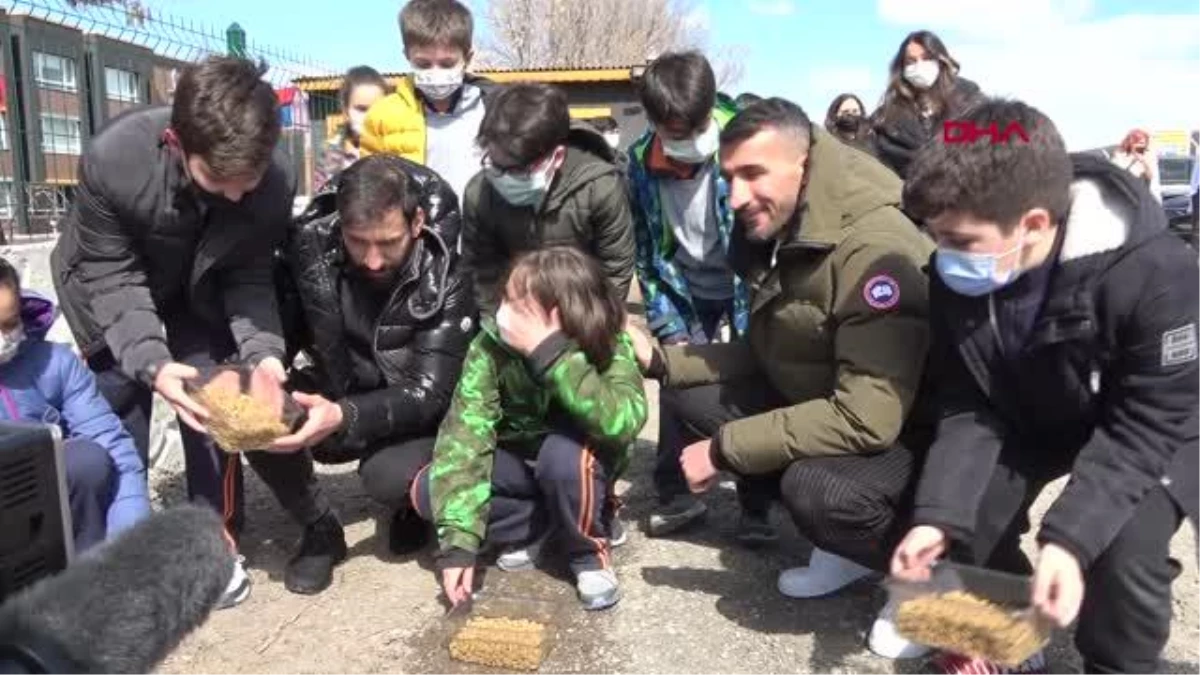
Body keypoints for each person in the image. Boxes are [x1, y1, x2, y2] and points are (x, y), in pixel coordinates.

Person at [891, 99, 1200, 675]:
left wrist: (1070, 540)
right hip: (1033, 406)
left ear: (1034, 224)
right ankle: (1003, 638)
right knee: (966, 515)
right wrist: (938, 516)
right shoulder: (958, 275)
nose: (944, 255)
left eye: (959, 238)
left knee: (1122, 556)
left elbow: (1147, 423)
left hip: (1149, 424)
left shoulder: (1159, 274)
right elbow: (968, 399)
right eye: (936, 237)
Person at [629, 98, 936, 657]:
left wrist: (724, 450)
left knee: (816, 491)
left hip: (911, 436)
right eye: (729, 178)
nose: (737, 197)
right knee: (690, 396)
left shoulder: (873, 246)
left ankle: (921, 578)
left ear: (804, 164)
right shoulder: (785, 225)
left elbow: (869, 417)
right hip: (840, 408)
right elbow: (770, 349)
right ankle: (845, 552)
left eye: (753, 174)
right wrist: (659, 361)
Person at [50, 56, 306, 608]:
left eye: (250, 182)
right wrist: (153, 363)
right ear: (176, 142)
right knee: (120, 403)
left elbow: (250, 269)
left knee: (214, 402)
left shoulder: (272, 181)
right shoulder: (114, 159)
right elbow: (113, 275)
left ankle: (211, 543)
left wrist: (264, 354)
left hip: (203, 281)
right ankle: (113, 554)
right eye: (221, 181)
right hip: (104, 278)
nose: (238, 196)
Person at [412, 246, 648, 611]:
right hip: (522, 464)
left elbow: (623, 421)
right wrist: (459, 545)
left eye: (520, 304)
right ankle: (543, 526)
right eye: (506, 297)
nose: (505, 313)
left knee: (563, 457)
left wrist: (551, 354)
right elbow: (466, 435)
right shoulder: (489, 348)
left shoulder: (608, 342)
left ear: (562, 313)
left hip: (579, 465)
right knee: (428, 489)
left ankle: (588, 552)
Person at [277, 154, 475, 565]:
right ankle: (317, 525)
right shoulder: (310, 249)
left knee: (385, 476)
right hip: (348, 387)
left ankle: (414, 500)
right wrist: (267, 370)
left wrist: (343, 415)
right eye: (357, 241)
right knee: (257, 397)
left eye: (388, 243)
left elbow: (432, 392)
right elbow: (281, 334)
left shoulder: (449, 270)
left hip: (421, 411)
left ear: (417, 222)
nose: (372, 260)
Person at [0, 259, 150, 553]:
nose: (3, 338)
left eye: (8, 323)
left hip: (41, 508)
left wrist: (133, 544)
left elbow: (113, 447)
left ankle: (85, 578)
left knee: (87, 460)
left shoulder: (55, 364)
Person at [462, 83, 635, 315]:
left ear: (557, 157)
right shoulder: (480, 192)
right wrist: (499, 328)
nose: (503, 178)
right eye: (495, 164)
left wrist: (593, 325)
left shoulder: (600, 187)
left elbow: (615, 269)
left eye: (517, 170)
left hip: (585, 314)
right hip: (516, 316)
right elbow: (482, 272)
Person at [628, 51, 748, 351]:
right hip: (687, 298)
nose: (695, 140)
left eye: (702, 127)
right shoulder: (641, 164)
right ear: (654, 122)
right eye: (681, 133)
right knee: (686, 392)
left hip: (748, 293)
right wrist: (668, 325)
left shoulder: (748, 142)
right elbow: (644, 253)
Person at [360, 0, 493, 207]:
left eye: (447, 63)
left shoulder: (492, 108)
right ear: (407, 55)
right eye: (423, 64)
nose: (435, 72)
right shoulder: (383, 116)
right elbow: (370, 188)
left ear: (467, 57)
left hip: (482, 234)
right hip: (423, 235)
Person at [870, 30, 982, 178]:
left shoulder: (970, 99)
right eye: (911, 61)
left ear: (941, 59)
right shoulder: (886, 117)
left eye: (927, 58)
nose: (919, 66)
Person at [313, 66, 391, 191]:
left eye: (378, 109)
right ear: (345, 110)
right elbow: (323, 200)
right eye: (361, 109)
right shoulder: (333, 153)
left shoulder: (395, 146)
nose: (370, 117)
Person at [1110, 128, 1162, 203]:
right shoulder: (1120, 155)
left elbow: (1150, 177)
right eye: (1138, 142)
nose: (1141, 146)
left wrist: (1143, 162)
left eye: (1144, 143)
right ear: (1130, 143)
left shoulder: (1148, 157)